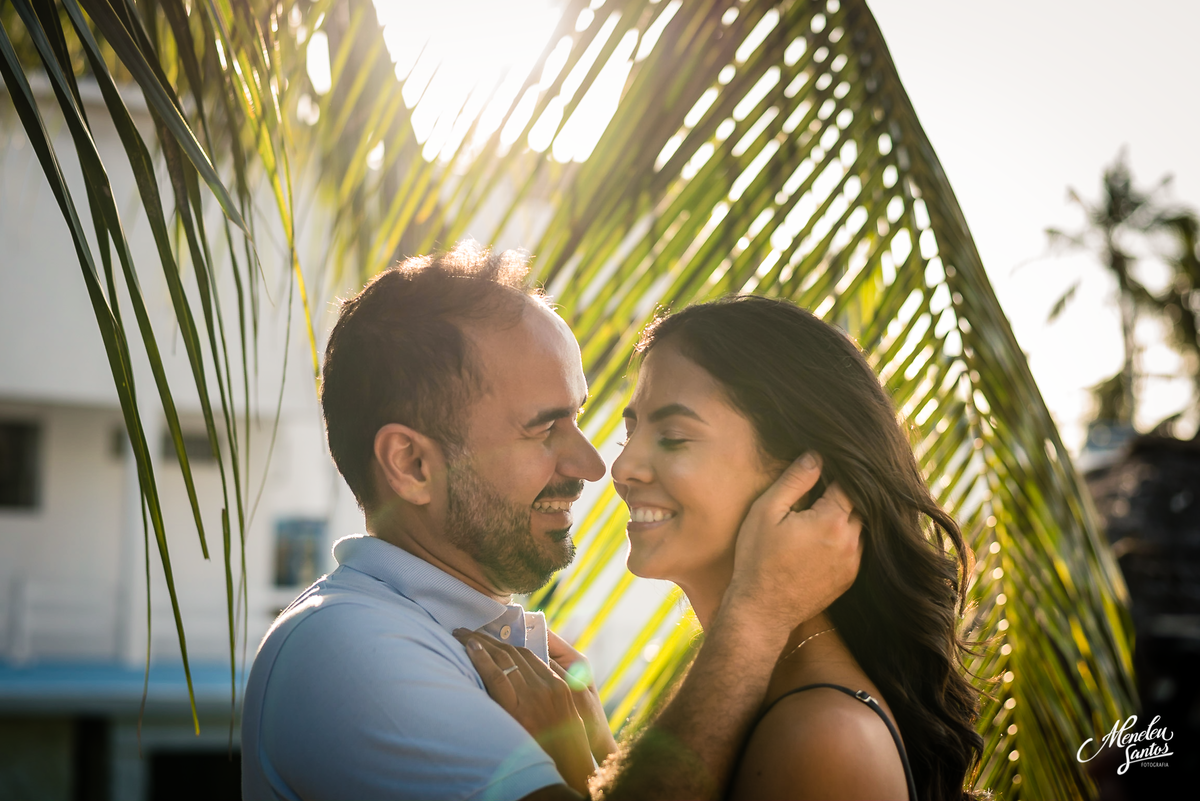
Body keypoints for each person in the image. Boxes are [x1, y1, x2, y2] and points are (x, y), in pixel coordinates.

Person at [240, 245, 862, 801]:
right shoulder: (350, 649)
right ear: (412, 464)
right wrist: (754, 617)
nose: (597, 466)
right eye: (545, 428)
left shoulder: (474, 642)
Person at [461, 295, 985, 800]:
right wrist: (603, 760)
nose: (621, 469)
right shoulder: (772, 699)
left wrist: (573, 775)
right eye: (632, 432)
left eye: (675, 436)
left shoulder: (823, 735)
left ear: (804, 478)